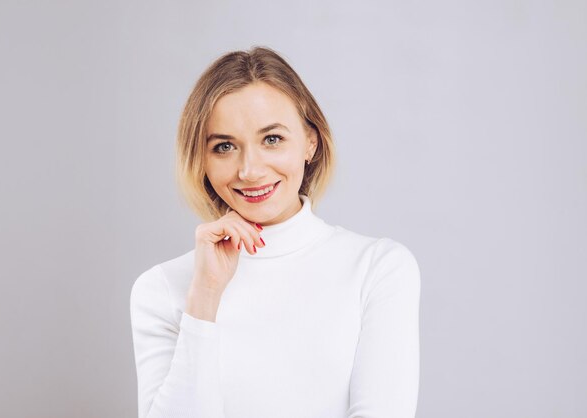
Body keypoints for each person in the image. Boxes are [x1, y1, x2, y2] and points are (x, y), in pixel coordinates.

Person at [129, 46, 421, 418]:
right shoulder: (162, 289)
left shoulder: (378, 268)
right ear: (201, 161)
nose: (249, 170)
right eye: (224, 146)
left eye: (272, 139)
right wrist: (205, 297)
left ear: (310, 142)